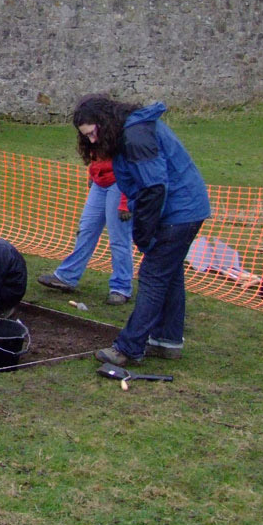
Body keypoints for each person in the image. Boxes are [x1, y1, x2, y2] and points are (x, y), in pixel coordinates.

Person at [72, 95, 211, 367]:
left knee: (153, 275)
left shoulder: (136, 137)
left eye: (92, 133)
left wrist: (143, 233)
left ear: (104, 121)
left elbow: (154, 187)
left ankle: (129, 347)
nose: (92, 141)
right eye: (86, 136)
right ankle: (167, 341)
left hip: (180, 212)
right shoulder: (130, 131)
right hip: (184, 208)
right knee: (170, 274)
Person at [37, 158, 134, 306]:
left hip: (121, 184)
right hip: (100, 181)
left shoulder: (125, 142)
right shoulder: (98, 143)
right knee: (86, 230)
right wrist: (93, 172)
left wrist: (125, 202)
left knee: (118, 239)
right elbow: (97, 152)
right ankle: (67, 277)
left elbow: (132, 163)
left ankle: (121, 288)